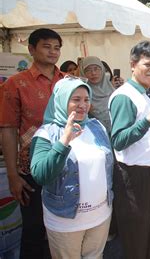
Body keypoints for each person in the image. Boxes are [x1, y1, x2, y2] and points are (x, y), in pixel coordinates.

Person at [29, 78, 113, 258]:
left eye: (86, 99)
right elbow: (41, 176)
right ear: (61, 100)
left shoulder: (96, 126)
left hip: (100, 216)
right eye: (76, 99)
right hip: (65, 222)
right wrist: (64, 141)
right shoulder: (46, 134)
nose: (83, 105)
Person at [1, 28, 64, 258]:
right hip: (31, 169)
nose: (53, 52)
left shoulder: (67, 82)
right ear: (31, 49)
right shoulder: (15, 84)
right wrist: (12, 175)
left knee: (62, 229)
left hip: (65, 166)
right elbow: (7, 129)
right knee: (34, 229)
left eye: (57, 47)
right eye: (47, 46)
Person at [108, 41, 150, 258]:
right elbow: (119, 140)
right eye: (148, 64)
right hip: (136, 177)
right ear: (133, 64)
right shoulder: (124, 96)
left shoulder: (145, 94)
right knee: (137, 236)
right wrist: (149, 119)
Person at [79, 56, 115, 132]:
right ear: (83, 73)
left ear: (102, 69)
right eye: (88, 70)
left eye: (96, 69)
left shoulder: (112, 89)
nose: (93, 73)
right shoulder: (82, 93)